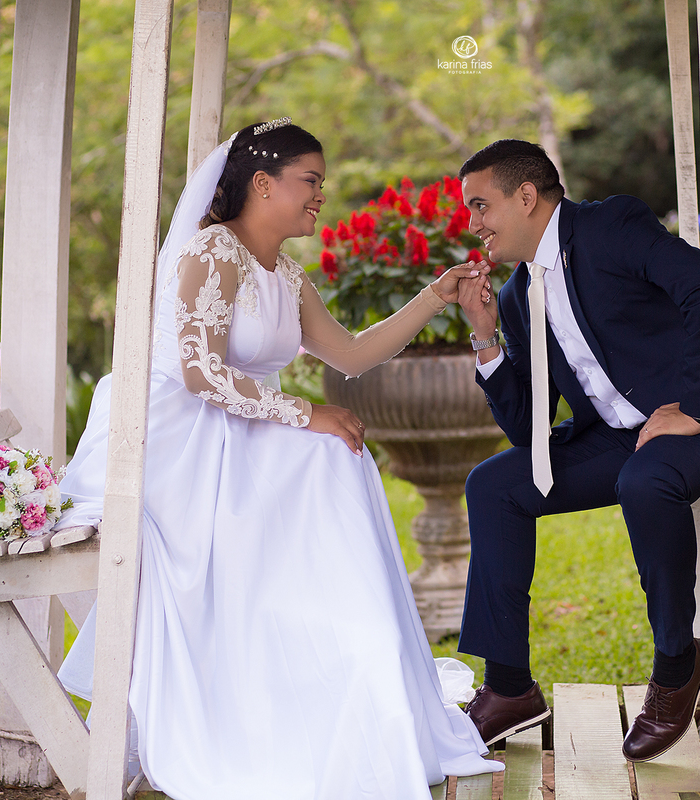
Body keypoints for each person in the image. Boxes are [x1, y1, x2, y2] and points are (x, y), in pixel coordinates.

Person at [55, 119, 502, 799]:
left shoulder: (283, 274)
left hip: (239, 432)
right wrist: (307, 414)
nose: (321, 195)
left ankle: (349, 655)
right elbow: (201, 372)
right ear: (263, 184)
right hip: (176, 444)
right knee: (327, 450)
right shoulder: (212, 253)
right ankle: (308, 664)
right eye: (310, 181)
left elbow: (351, 355)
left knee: (337, 458)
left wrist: (433, 296)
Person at [452, 139, 700, 762]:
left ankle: (677, 665)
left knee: (645, 483)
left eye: (480, 206)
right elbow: (528, 431)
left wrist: (697, 405)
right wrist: (486, 340)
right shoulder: (517, 297)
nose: (474, 224)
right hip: (619, 437)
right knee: (494, 486)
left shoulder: (610, 226)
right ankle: (509, 688)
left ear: (526, 197)